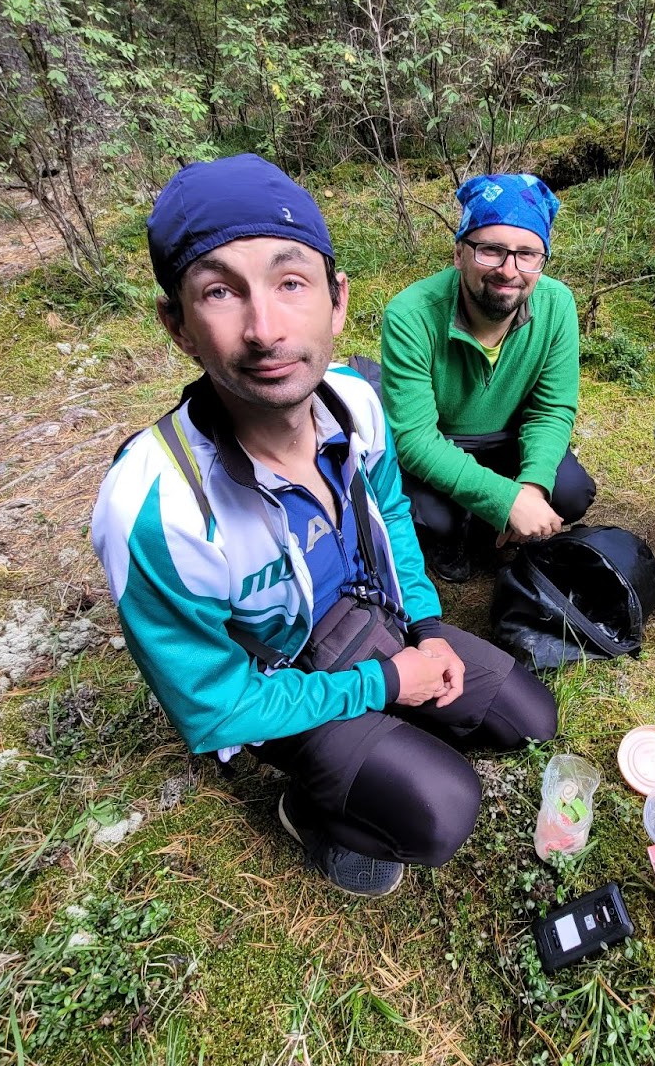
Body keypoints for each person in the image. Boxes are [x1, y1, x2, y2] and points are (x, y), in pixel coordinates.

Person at [91, 155, 557, 898]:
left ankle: (383, 734)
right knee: (441, 811)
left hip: (366, 620)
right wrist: (385, 682)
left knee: (529, 717)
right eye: (219, 291)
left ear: (337, 302)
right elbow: (216, 708)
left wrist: (429, 630)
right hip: (278, 676)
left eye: (291, 282)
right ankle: (308, 807)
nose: (265, 329)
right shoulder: (158, 510)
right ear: (177, 326)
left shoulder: (354, 403)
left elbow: (393, 517)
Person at [378, 173, 596, 581]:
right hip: (442, 439)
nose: (508, 270)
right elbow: (414, 441)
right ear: (459, 253)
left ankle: (489, 529)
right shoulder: (410, 315)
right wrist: (504, 497)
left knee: (569, 491)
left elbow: (551, 410)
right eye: (490, 250)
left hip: (507, 437)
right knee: (434, 518)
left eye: (528, 254)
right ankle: (451, 536)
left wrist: (529, 488)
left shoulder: (557, 305)